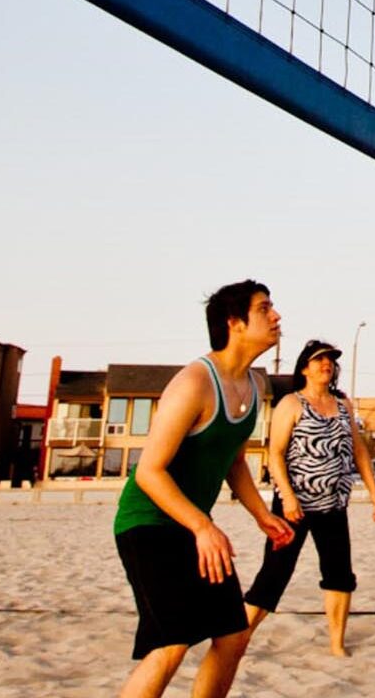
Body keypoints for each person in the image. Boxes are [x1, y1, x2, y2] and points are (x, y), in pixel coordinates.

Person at [112, 281, 295, 698]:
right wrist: (202, 526)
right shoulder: (193, 383)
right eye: (264, 308)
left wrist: (261, 514)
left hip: (194, 527)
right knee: (171, 644)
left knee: (232, 637)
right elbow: (149, 472)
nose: (276, 316)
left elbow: (232, 458)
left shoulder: (254, 385)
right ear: (234, 322)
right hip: (148, 523)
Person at [246, 340, 375, 659]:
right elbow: (275, 454)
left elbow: (359, 449)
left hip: (334, 504)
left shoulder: (342, 405)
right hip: (294, 505)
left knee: (340, 574)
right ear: (304, 368)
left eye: (330, 360)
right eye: (319, 359)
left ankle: (337, 643)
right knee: (274, 574)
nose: (327, 364)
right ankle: (238, 639)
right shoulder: (291, 404)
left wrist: (374, 492)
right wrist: (289, 498)